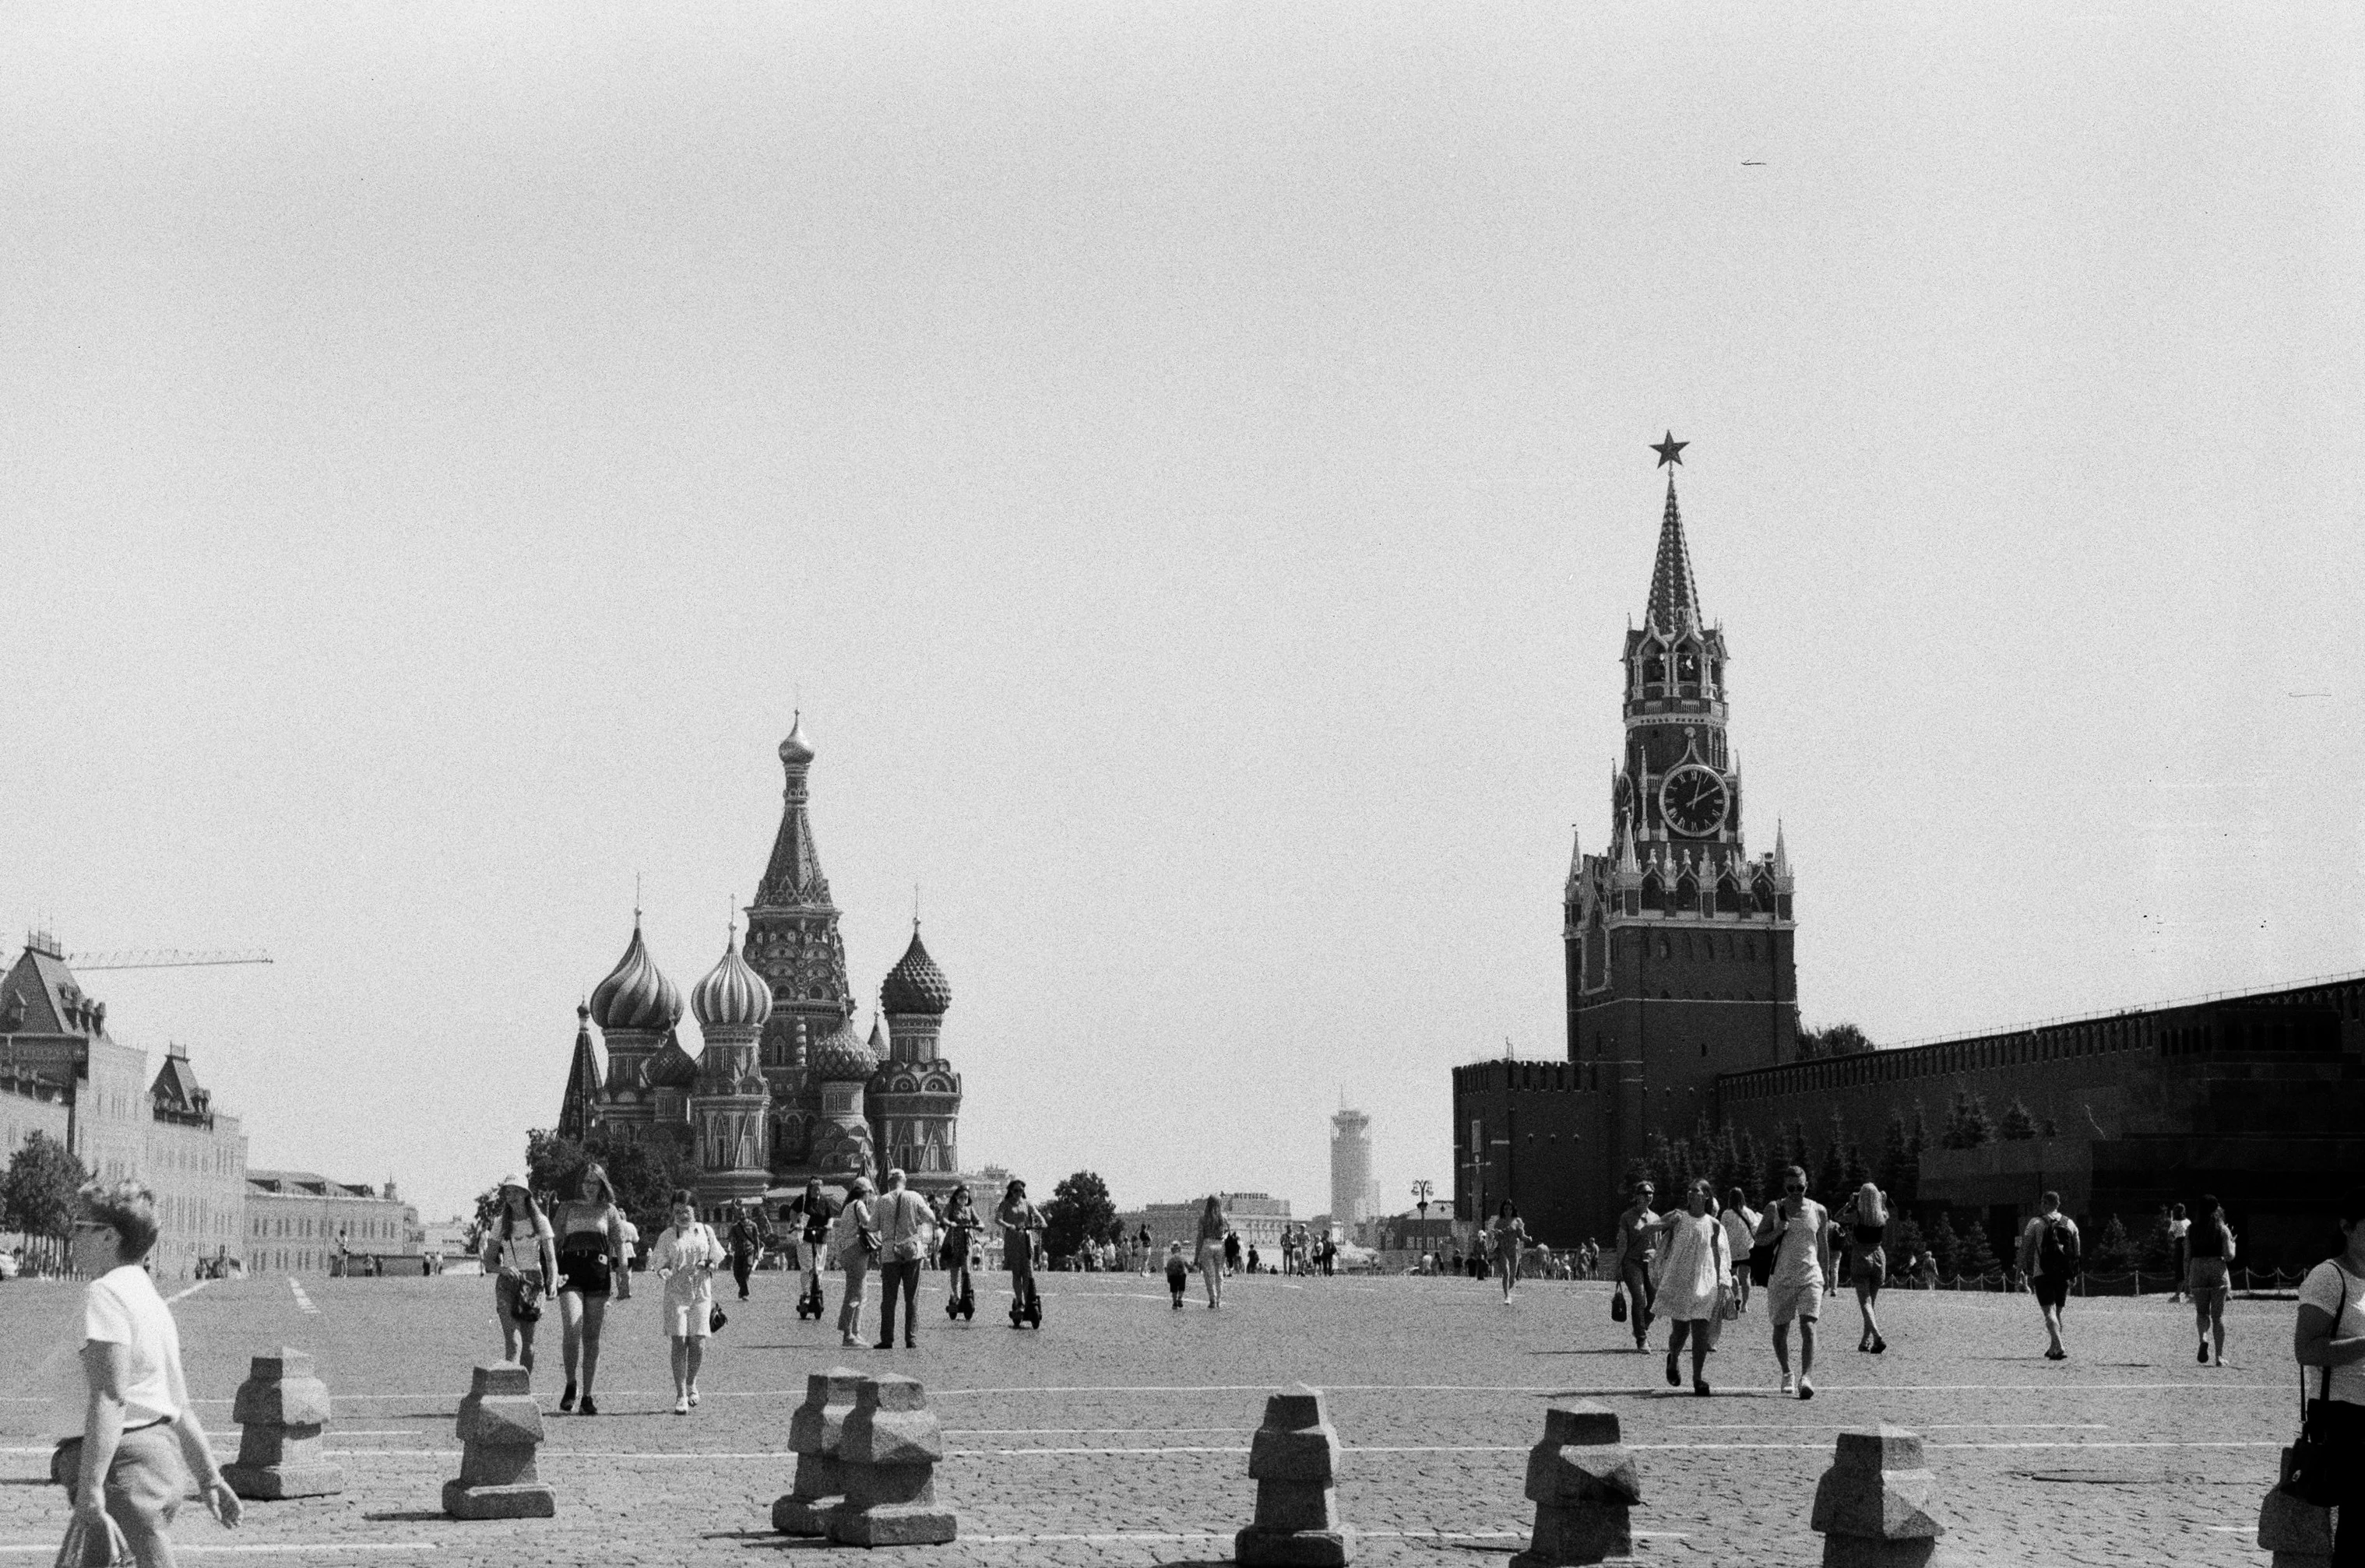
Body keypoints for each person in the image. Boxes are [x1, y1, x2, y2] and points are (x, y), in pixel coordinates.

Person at [49, 1180, 244, 1567]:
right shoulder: (152, 1302)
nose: (71, 1235)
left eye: (80, 1226)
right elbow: (179, 1406)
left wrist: (91, 1489)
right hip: (149, 1463)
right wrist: (209, 1478)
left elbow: (111, 1394)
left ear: (109, 1238)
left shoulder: (105, 1294)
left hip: (122, 1472)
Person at [2295, 1185, 2365, 1568]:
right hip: (2347, 1419)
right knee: (2355, 1532)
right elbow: (2306, 1349)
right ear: (2347, 1227)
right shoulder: (2329, 1277)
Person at [551, 1161, 628, 1416]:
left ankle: (587, 1395)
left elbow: (619, 1244)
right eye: (585, 1182)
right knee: (573, 1327)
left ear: (602, 1184)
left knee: (592, 1337)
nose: (589, 1187)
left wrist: (623, 1277)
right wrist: (551, 1275)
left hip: (598, 1274)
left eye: (594, 1182)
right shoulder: (567, 1208)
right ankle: (571, 1383)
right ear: (579, 1183)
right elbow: (553, 1243)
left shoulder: (609, 1210)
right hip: (570, 1273)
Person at [1754, 1165, 1832, 1399]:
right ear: (1784, 1187)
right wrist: (1777, 1231)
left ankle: (1806, 1377)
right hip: (1782, 1277)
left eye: (1800, 1187)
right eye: (1791, 1188)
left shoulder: (1819, 1211)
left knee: (1808, 1326)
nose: (1796, 1192)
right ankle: (1787, 1371)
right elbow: (1759, 1240)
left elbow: (1824, 1245)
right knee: (1781, 1329)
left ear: (1807, 1185)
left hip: (1811, 1276)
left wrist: (1827, 1275)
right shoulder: (1774, 1208)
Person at [1651, 1179, 1732, 1396]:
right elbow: (1649, 1228)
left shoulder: (1714, 1225)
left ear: (1706, 1196)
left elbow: (1718, 1256)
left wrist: (1723, 1282)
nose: (1690, 1193)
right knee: (1680, 1331)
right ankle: (1673, 1358)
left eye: (1695, 1191)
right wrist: (1666, 1223)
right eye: (1689, 1190)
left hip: (1705, 1284)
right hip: (1680, 1282)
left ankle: (1698, 1379)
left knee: (1701, 1333)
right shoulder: (1679, 1216)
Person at [652, 1190, 723, 1414]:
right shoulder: (667, 1236)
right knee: (679, 1340)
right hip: (676, 1291)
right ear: (672, 1212)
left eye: (686, 1211)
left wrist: (709, 1265)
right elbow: (659, 1263)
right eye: (677, 1211)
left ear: (694, 1211)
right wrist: (663, 1271)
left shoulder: (706, 1231)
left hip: (701, 1289)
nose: (682, 1215)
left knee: (698, 1342)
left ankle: (692, 1381)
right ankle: (681, 1394)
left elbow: (716, 1258)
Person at [482, 1176, 558, 1375]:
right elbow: (488, 1261)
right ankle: (511, 1391)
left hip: (532, 1282)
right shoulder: (501, 1223)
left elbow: (551, 1259)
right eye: (508, 1192)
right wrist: (504, 1269)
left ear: (526, 1193)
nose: (511, 1196)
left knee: (528, 1344)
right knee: (513, 1342)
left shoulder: (540, 1221)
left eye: (515, 1191)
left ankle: (524, 1390)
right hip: (507, 1283)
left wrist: (553, 1281)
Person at [2016, 1190, 2082, 1362]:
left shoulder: (2035, 1222)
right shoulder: (2070, 1223)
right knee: (2058, 1312)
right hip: (2063, 1274)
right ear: (2058, 1204)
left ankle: (2059, 1346)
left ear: (2045, 1203)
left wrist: (2019, 1272)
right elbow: (2076, 1251)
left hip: (2042, 1273)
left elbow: (2024, 1249)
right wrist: (2074, 1273)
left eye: (2042, 1202)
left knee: (2048, 1312)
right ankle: (2053, 1347)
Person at [872, 1168, 933, 1350]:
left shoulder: (882, 1200)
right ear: (904, 1182)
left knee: (889, 1299)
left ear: (890, 1183)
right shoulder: (915, 1197)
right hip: (913, 1252)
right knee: (911, 1298)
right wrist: (918, 1230)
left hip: (890, 1253)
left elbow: (872, 1226)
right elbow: (931, 1218)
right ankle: (911, 1339)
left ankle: (887, 1339)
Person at [2187, 1194, 2237, 1366]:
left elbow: (2187, 1256)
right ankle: (2219, 1357)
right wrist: (2233, 1244)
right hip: (2217, 1270)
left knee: (2201, 1313)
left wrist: (2188, 1278)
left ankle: (2203, 1339)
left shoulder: (2191, 1229)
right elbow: (2229, 1256)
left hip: (2197, 1269)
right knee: (2218, 1316)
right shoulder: (2222, 1228)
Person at [1839, 1182, 1889, 1354]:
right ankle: (1865, 1342)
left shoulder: (1857, 1216)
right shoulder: (1882, 1215)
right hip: (1879, 1257)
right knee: (1871, 1304)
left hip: (1861, 1256)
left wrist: (1850, 1203)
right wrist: (1882, 1201)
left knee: (1865, 1303)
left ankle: (1877, 1337)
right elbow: (1886, 1211)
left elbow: (1838, 1217)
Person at [1611, 1181, 1660, 1351]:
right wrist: (1618, 1267)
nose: (1649, 1196)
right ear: (1637, 1196)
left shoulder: (1655, 1218)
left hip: (1651, 1262)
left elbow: (1658, 1244)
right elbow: (1622, 1243)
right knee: (1639, 1298)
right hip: (1632, 1262)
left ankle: (1641, 1326)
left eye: (1651, 1193)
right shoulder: (1627, 1217)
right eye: (1646, 1193)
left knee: (1655, 1302)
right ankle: (1641, 1339)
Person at [835, 1177, 878, 1347]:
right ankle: (848, 1334)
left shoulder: (847, 1206)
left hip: (849, 1252)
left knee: (860, 1293)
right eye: (869, 1193)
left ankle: (854, 1331)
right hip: (856, 1251)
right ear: (864, 1192)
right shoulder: (859, 1205)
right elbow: (869, 1224)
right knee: (855, 1293)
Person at [789, 1178, 836, 1317]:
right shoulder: (803, 1200)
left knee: (819, 1268)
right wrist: (796, 1224)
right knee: (807, 1266)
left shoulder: (825, 1201)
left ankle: (817, 1289)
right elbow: (792, 1212)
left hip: (821, 1238)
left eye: (819, 1188)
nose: (817, 1191)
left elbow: (830, 1216)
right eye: (815, 1188)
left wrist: (829, 1225)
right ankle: (806, 1293)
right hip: (805, 1238)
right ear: (810, 1189)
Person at [997, 1178, 1043, 1320]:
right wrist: (1008, 1225)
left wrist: (1042, 1222)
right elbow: (997, 1219)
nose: (1018, 1193)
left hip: (1026, 1240)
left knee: (1028, 1273)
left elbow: (1037, 1215)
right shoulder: (1005, 1204)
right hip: (1012, 1241)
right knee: (1017, 1274)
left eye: (1021, 1191)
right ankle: (1020, 1301)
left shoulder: (1027, 1204)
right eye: (1016, 1190)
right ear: (1010, 1191)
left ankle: (1029, 1300)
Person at [1719, 1190, 1759, 1316]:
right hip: (1747, 1250)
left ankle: (1735, 1294)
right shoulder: (1749, 1212)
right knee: (1746, 1276)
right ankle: (1745, 1306)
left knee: (1732, 1275)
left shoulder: (1726, 1214)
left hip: (1731, 1250)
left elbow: (1722, 1230)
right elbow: (1756, 1229)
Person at [941, 1183, 980, 1310]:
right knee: (955, 1271)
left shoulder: (970, 1208)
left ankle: (966, 1293)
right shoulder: (951, 1207)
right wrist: (950, 1223)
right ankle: (956, 1297)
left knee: (966, 1268)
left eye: (966, 1198)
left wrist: (980, 1225)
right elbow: (944, 1218)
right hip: (953, 1241)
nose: (964, 1200)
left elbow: (978, 1221)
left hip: (967, 1240)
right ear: (956, 1196)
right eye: (962, 1197)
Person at [1490, 1200, 1529, 1303]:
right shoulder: (1499, 1222)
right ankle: (1507, 1296)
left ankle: (1509, 1291)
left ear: (1513, 1209)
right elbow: (1495, 1236)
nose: (1507, 1211)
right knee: (1506, 1273)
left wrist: (1528, 1238)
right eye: (1505, 1209)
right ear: (1503, 1210)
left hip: (1514, 1250)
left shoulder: (1517, 1221)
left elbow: (1521, 1236)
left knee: (1512, 1277)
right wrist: (1498, 1233)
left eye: (1509, 1209)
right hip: (1502, 1249)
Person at [1195, 1197, 1227, 1308]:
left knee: (1209, 1274)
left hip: (1207, 1244)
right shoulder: (1223, 1217)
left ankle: (1212, 1299)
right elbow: (1227, 1233)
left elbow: (1200, 1237)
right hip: (1220, 1245)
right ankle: (1218, 1299)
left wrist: (1196, 1255)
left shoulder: (1203, 1218)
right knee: (1219, 1273)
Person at [727, 1204, 763, 1302]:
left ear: (747, 1214)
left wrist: (758, 1253)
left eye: (743, 1214)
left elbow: (756, 1239)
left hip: (749, 1251)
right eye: (740, 1214)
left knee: (746, 1270)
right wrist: (730, 1247)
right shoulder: (735, 1227)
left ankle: (744, 1293)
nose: (741, 1215)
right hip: (738, 1252)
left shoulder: (753, 1225)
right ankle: (742, 1290)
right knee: (736, 1273)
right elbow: (731, 1238)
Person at [2167, 1202, 2191, 1303]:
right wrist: (2176, 1241)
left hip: (2188, 1245)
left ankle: (2188, 1293)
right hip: (2180, 1246)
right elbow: (2170, 1234)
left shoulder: (2188, 1222)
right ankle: (2178, 1294)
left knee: (2189, 1268)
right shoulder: (2175, 1223)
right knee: (2181, 1269)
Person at [1164, 1242, 1191, 1308]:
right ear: (1180, 1249)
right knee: (1182, 1288)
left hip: (1172, 1276)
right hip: (1181, 1275)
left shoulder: (1170, 1259)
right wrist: (1191, 1268)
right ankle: (1180, 1298)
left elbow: (1168, 1269)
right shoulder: (1182, 1257)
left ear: (1172, 1250)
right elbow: (1187, 1265)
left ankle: (1174, 1303)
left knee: (1174, 1290)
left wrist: (1168, 1278)